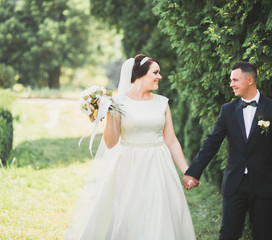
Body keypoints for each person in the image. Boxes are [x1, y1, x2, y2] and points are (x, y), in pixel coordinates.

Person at [63, 54, 196, 240]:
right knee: (130, 213)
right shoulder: (119, 103)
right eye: (155, 72)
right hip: (129, 166)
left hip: (158, 165)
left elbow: (171, 140)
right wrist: (108, 113)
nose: (160, 76)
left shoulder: (162, 103)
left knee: (159, 212)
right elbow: (110, 142)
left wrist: (187, 172)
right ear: (140, 75)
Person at [182, 61, 272, 240]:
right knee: (227, 235)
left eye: (235, 80)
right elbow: (212, 143)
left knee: (263, 235)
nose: (231, 84)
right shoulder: (227, 110)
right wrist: (193, 172)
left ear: (250, 80)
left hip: (265, 184)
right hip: (235, 183)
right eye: (231, 80)